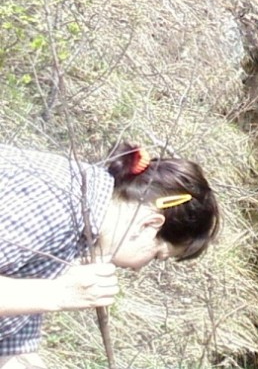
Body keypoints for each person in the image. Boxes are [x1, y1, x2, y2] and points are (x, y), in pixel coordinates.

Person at [0, 142, 219, 368]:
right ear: (149, 225)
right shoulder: (55, 202)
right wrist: (60, 294)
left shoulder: (79, 229)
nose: (139, 268)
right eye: (156, 255)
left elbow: (11, 348)